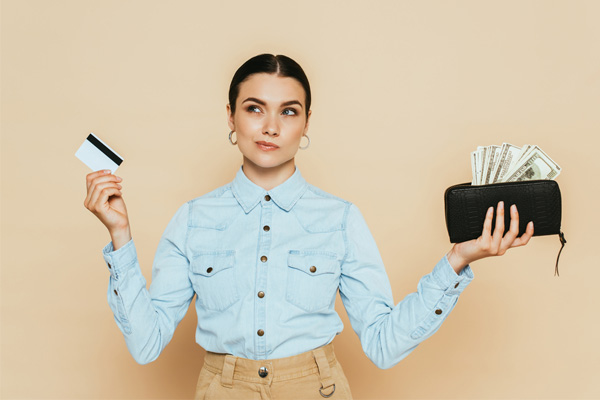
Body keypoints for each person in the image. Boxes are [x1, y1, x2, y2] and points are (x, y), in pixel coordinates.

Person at [84, 54, 534, 399]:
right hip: (222, 390)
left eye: (289, 111)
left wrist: (456, 262)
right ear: (231, 117)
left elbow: (383, 343)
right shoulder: (193, 219)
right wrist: (120, 237)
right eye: (255, 108)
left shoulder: (339, 219)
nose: (271, 126)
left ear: (306, 123)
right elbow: (146, 344)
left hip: (318, 389)